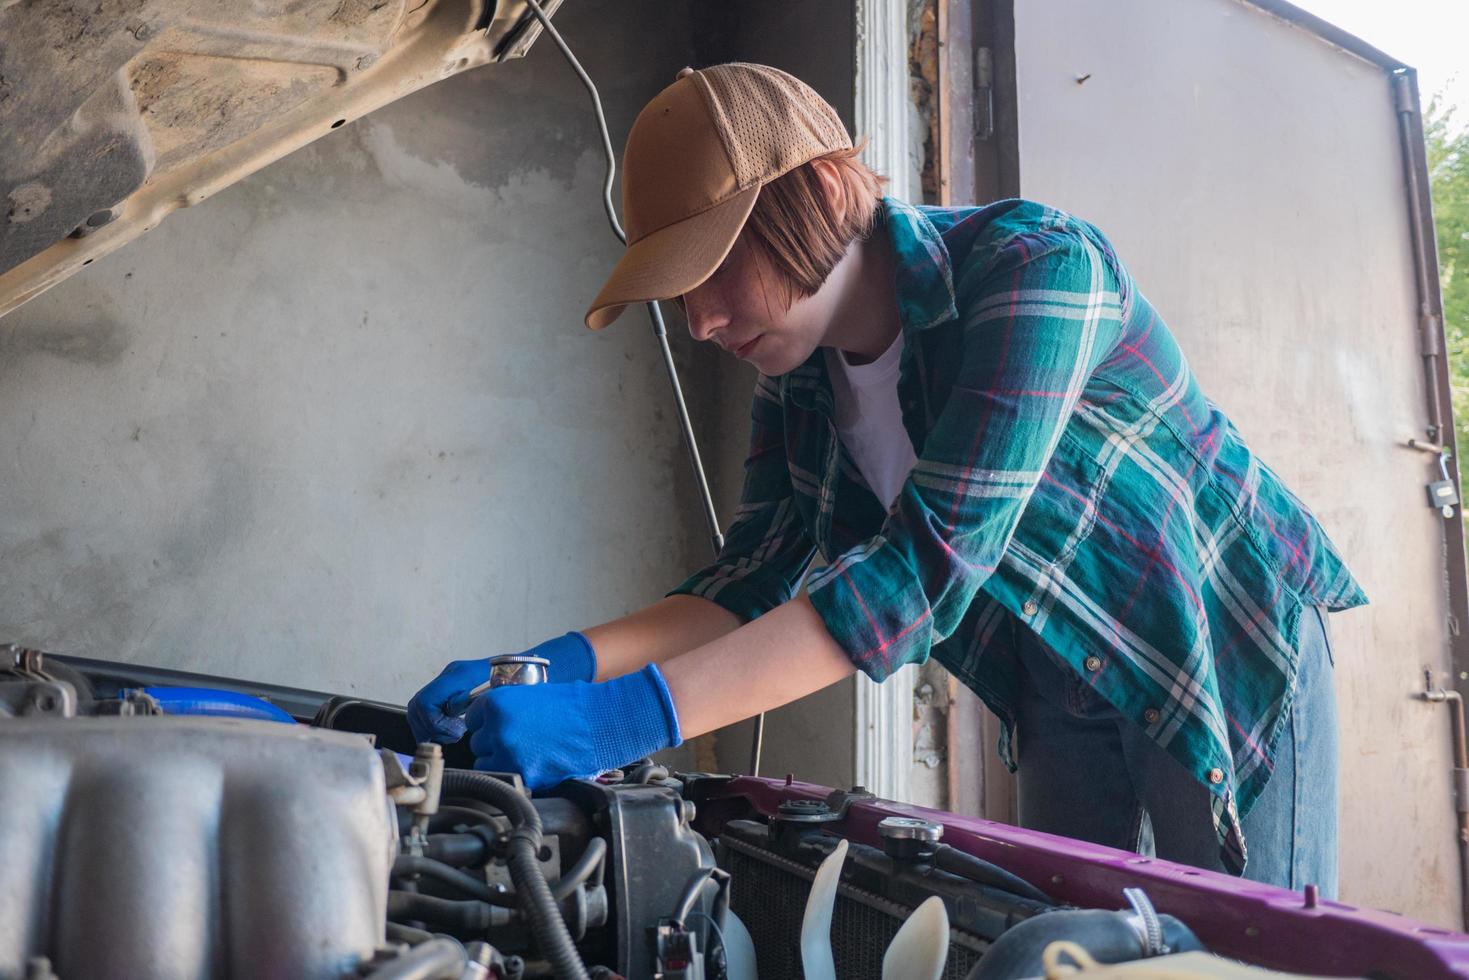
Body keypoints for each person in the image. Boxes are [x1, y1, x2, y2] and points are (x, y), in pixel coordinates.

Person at [407, 63, 1365, 892]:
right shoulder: (800, 373)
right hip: (1051, 679)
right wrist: (553, 666)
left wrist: (619, 718)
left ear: (818, 194)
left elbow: (920, 572)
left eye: (714, 269)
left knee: (1239, 958)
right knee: (1065, 949)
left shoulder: (1037, 269)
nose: (698, 320)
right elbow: (754, 577)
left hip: (1214, 654)